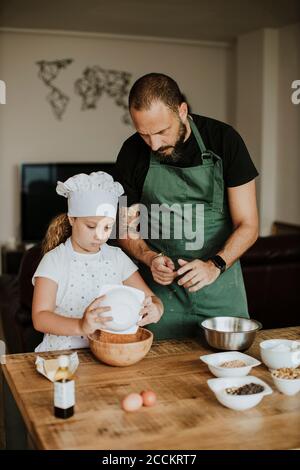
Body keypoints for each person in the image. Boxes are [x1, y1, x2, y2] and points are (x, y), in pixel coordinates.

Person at [115, 73, 259, 340]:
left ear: (182, 111)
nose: (154, 144)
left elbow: (248, 225)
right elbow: (125, 227)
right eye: (144, 134)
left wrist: (214, 264)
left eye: (161, 131)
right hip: (158, 296)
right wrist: (149, 257)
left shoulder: (225, 141)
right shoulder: (132, 152)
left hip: (220, 286)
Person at [32, 171, 163, 352]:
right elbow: (40, 317)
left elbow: (153, 299)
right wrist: (80, 326)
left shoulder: (117, 258)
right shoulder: (55, 261)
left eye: (107, 227)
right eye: (91, 226)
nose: (100, 235)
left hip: (110, 352)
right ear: (72, 219)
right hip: (63, 355)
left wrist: (156, 309)